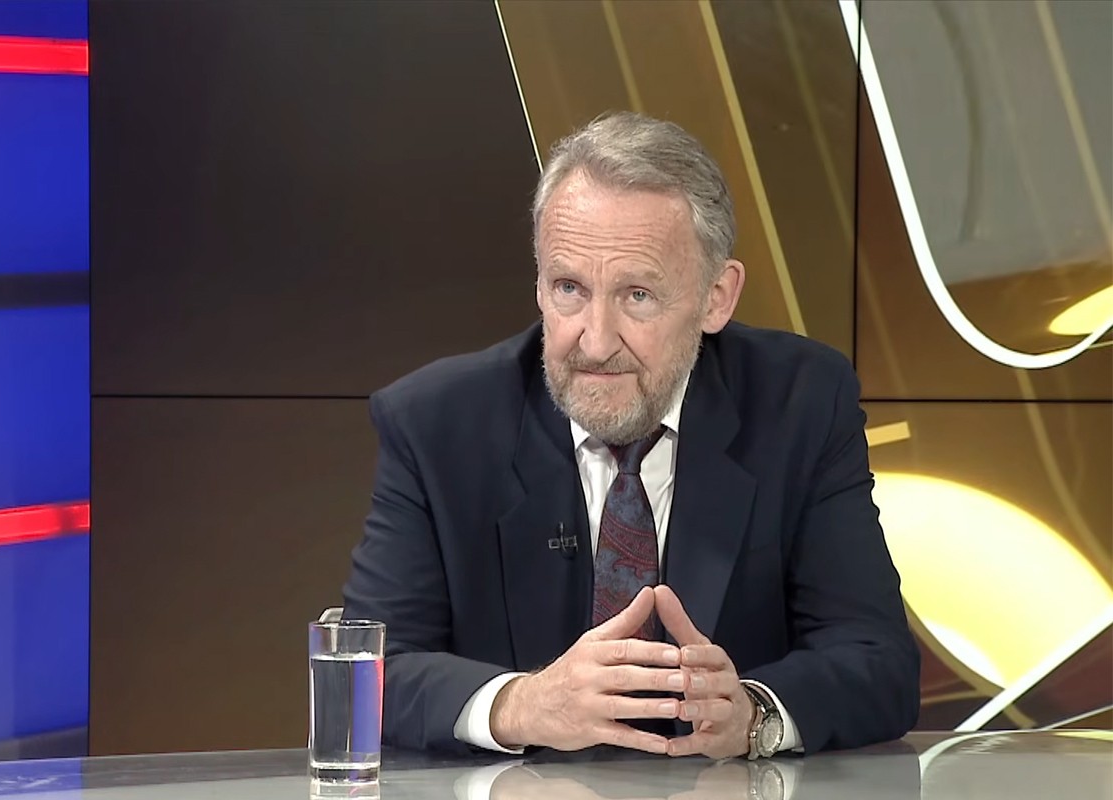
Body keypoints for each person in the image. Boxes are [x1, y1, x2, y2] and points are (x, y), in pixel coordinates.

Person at [342, 111, 920, 760]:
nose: (595, 341)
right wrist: (523, 705)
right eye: (569, 288)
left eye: (637, 295)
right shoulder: (438, 425)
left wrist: (753, 714)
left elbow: (878, 660)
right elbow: (367, 669)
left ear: (717, 297)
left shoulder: (800, 405)